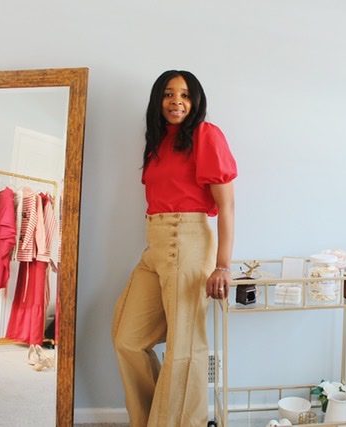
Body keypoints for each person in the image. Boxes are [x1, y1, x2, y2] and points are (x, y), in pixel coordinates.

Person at [112, 70, 237, 427]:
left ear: (195, 101)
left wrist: (223, 265)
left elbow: (226, 206)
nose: (176, 101)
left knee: (185, 346)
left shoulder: (205, 135)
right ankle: (154, 419)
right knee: (128, 339)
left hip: (189, 238)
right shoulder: (157, 142)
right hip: (156, 242)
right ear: (158, 100)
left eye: (184, 95)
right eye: (168, 94)